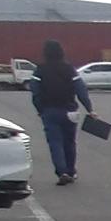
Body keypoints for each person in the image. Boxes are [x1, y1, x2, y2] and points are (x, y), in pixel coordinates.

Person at [29, 39, 87, 184]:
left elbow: (35, 92)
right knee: (70, 142)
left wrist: (39, 108)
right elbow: (81, 89)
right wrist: (89, 108)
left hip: (49, 111)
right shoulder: (69, 69)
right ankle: (71, 171)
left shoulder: (40, 70)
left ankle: (62, 172)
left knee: (55, 142)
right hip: (70, 110)